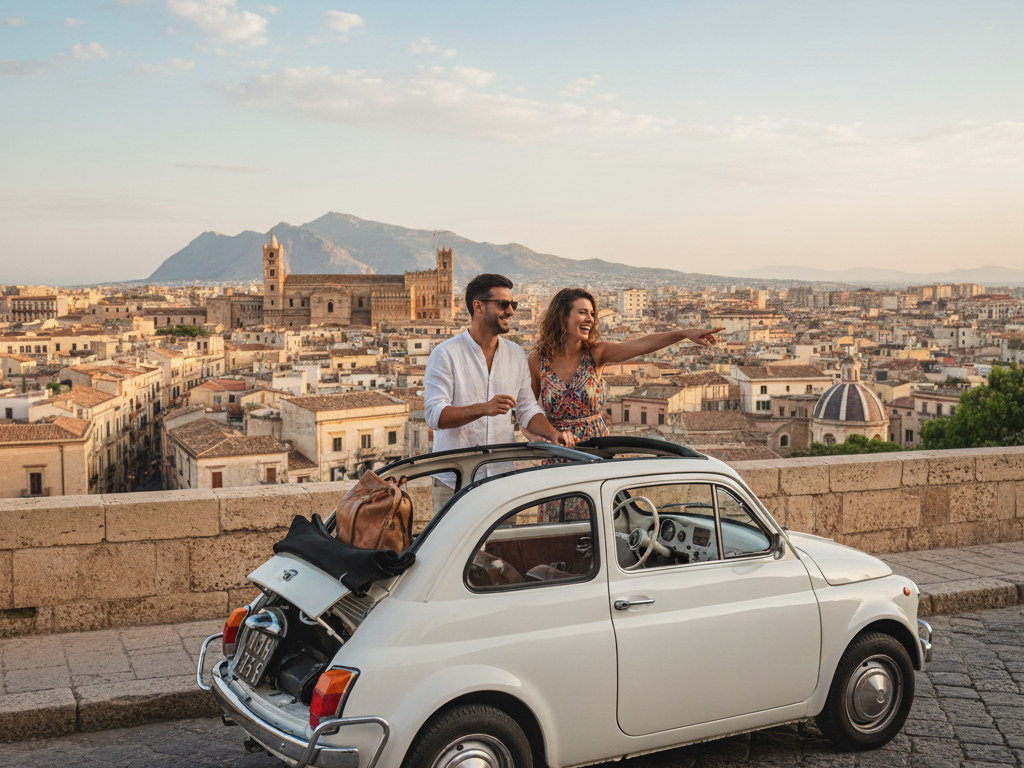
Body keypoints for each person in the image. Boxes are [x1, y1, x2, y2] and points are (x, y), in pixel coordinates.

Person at [424, 274, 576, 505]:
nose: (511, 311)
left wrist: (552, 433)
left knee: (503, 542)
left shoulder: (515, 354)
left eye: (512, 304)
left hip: (500, 478)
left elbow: (527, 409)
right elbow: (435, 416)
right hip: (455, 479)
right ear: (478, 307)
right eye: (503, 304)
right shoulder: (446, 354)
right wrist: (484, 408)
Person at [527, 288, 724, 443]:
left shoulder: (596, 353)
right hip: (559, 449)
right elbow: (526, 409)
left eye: (592, 314)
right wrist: (542, 435)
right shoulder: (538, 361)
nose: (590, 319)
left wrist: (684, 334)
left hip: (597, 449)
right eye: (582, 312)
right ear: (562, 317)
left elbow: (640, 345)